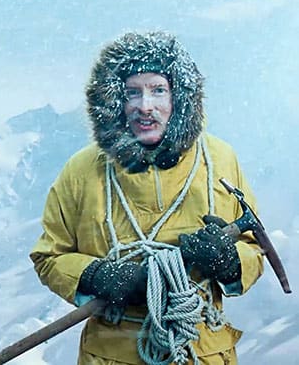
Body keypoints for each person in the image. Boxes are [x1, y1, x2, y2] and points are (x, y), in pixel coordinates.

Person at [30, 31, 265, 365]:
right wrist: (98, 276)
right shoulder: (82, 171)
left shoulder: (220, 160)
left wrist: (229, 261)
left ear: (178, 98)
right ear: (116, 102)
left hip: (203, 352)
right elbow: (49, 256)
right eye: (132, 93)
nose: (145, 106)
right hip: (110, 357)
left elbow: (254, 247)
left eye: (158, 90)